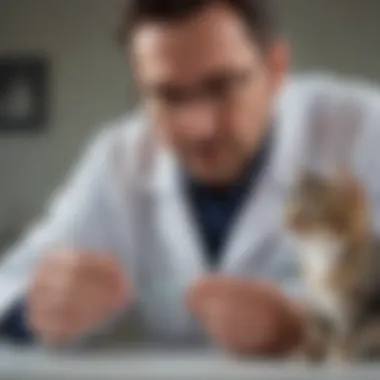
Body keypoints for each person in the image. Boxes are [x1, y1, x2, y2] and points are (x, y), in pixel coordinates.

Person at [0, 0, 380, 356]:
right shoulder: (119, 159)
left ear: (276, 68)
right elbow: (11, 282)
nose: (199, 127)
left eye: (222, 86)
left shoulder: (364, 127)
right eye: (167, 95)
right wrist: (36, 309)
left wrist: (304, 328)